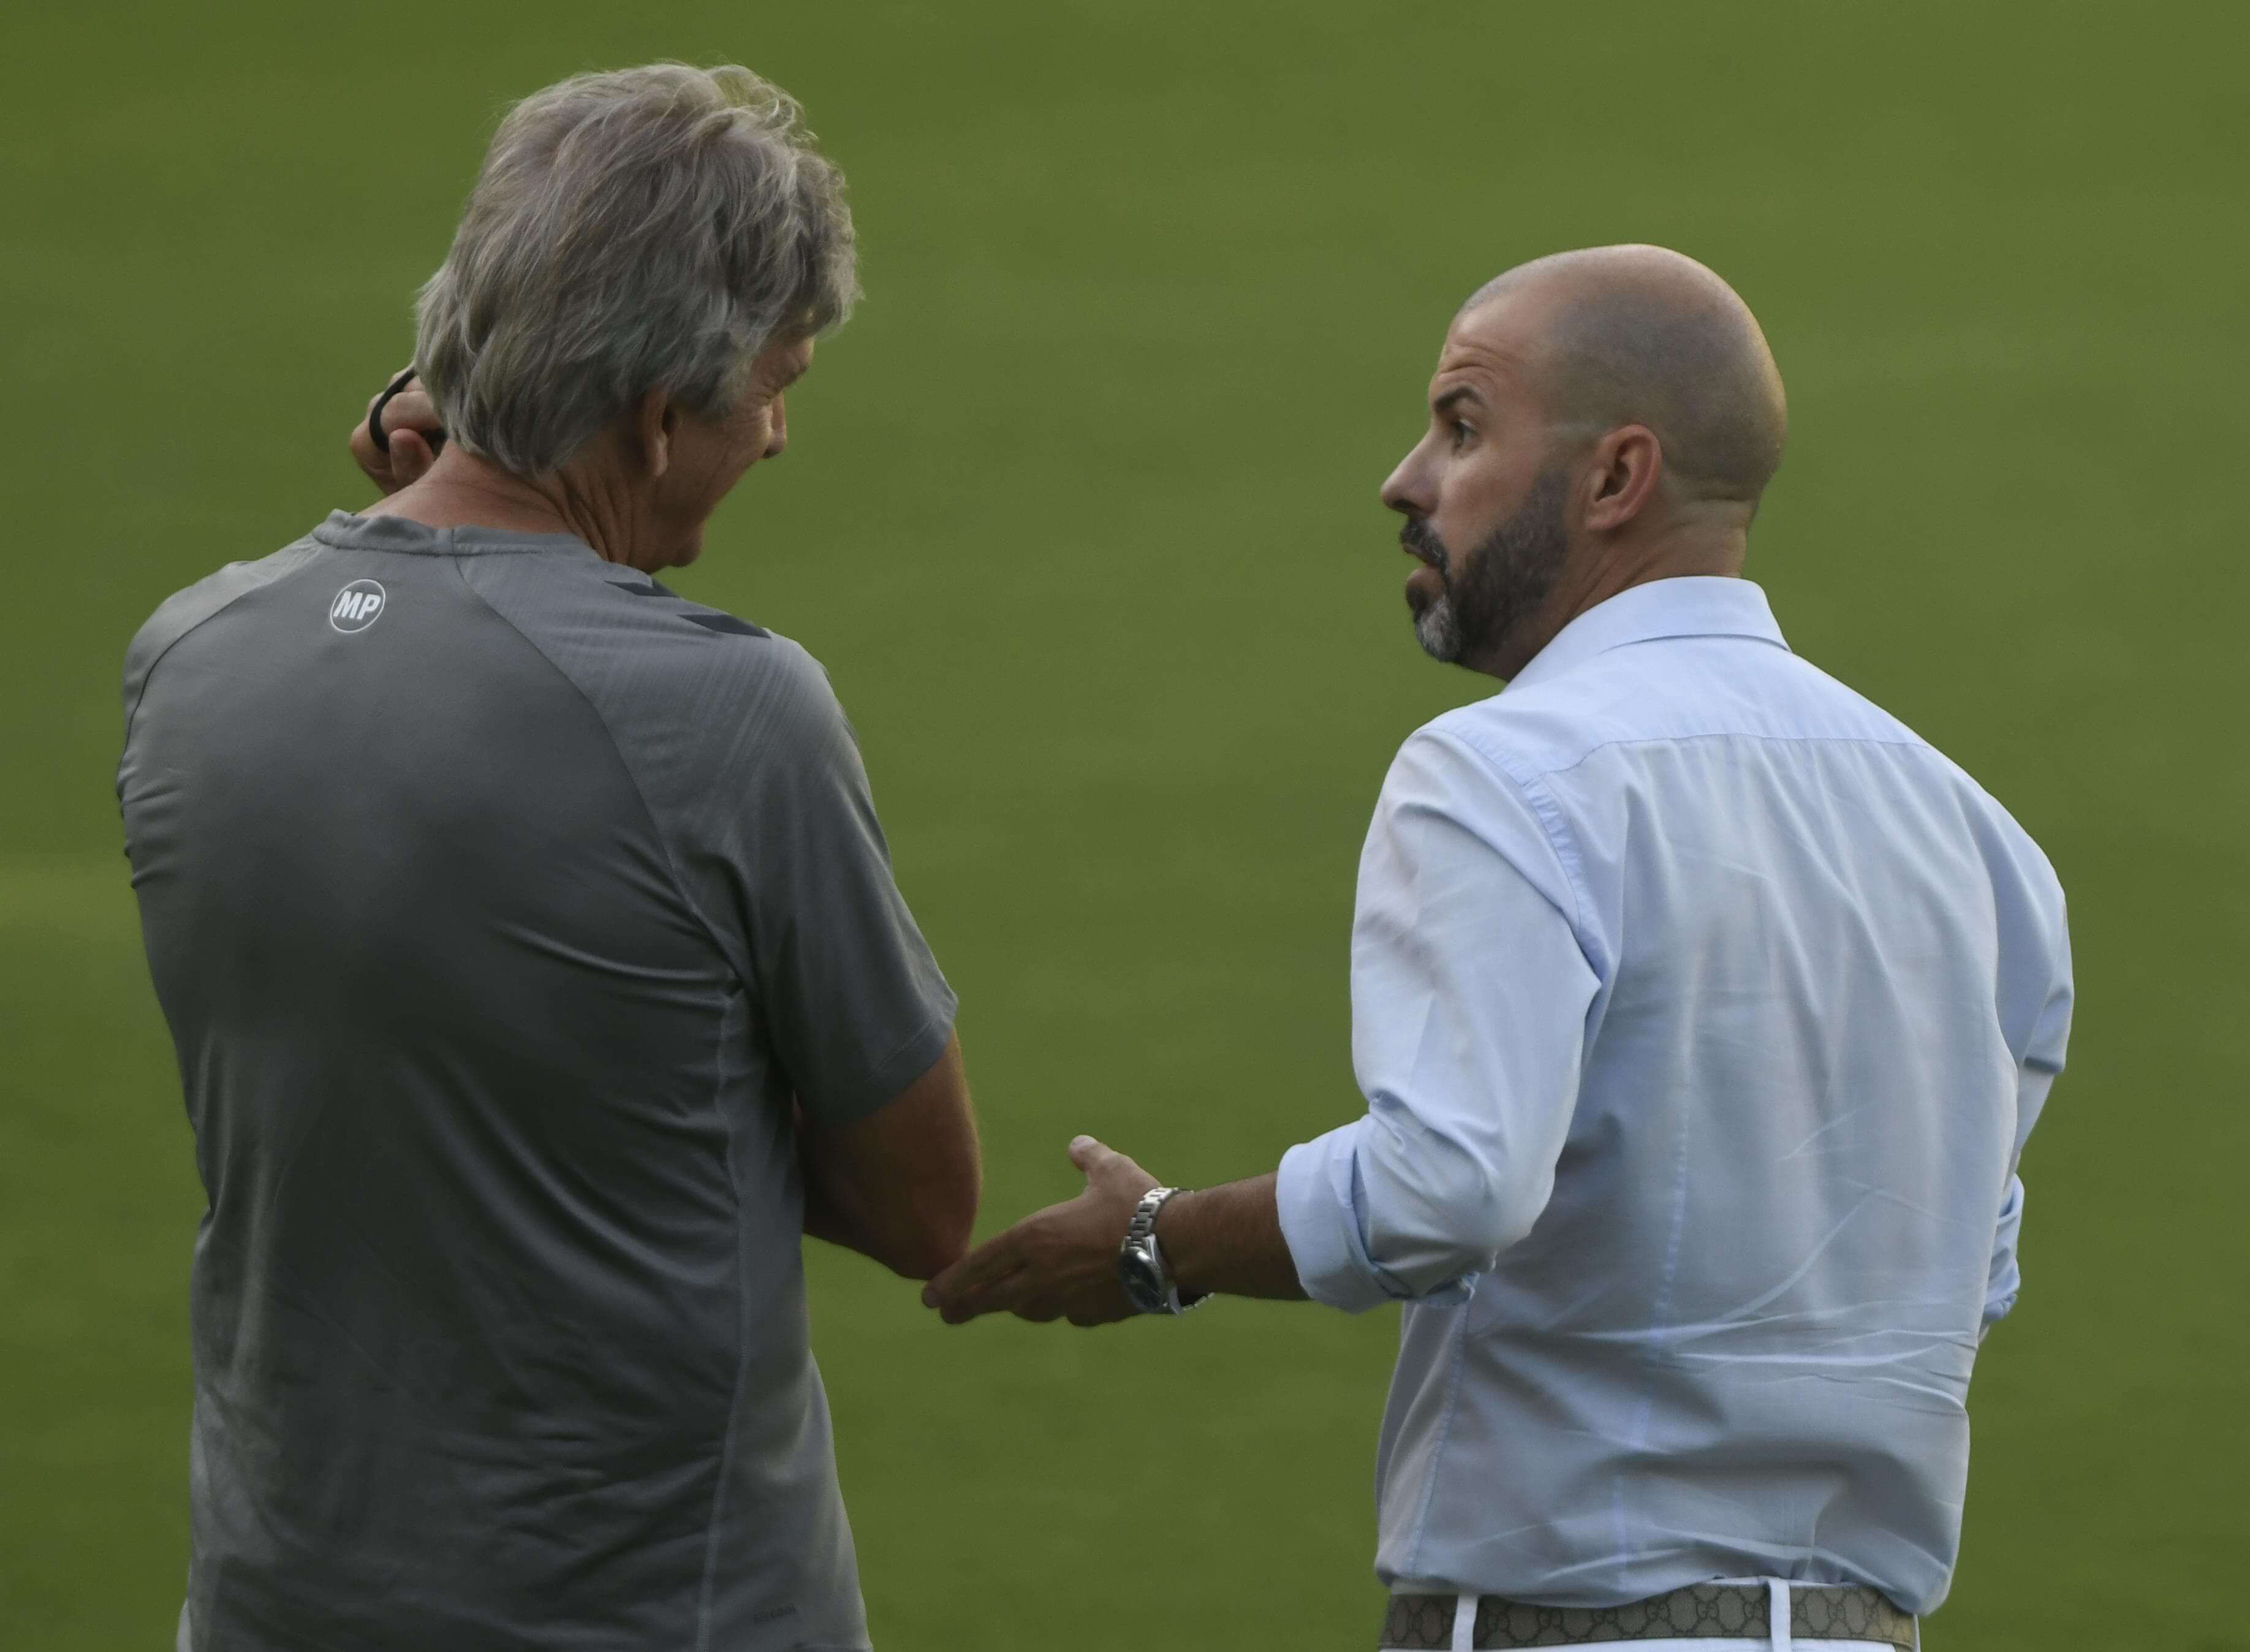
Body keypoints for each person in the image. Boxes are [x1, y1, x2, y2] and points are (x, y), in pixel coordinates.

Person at [924, 245, 2070, 1652]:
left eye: (1462, 427)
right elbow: (1968, 1265)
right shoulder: (1981, 840)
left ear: (1615, 477)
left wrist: (1160, 1242)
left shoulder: (1504, 773)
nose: (1405, 481)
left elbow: (1450, 1184)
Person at [118, 64, 979, 1652]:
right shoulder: (737, 714)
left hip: (268, 1602)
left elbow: (422, 976)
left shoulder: (187, 659)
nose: (778, 434)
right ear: (657, 417)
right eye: (772, 385)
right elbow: (924, 1201)